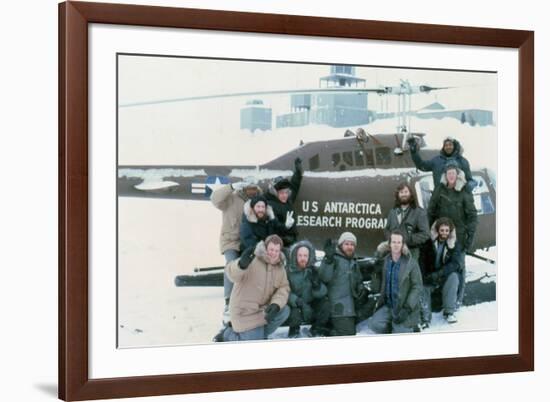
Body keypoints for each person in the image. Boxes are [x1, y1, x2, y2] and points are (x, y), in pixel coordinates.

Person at [221, 235, 290, 341]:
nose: (274, 253)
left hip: (262, 311)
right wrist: (240, 265)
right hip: (244, 312)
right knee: (254, 345)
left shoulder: (280, 268)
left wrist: (276, 304)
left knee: (284, 311)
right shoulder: (253, 259)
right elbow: (231, 274)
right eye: (271, 249)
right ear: (266, 248)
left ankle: (257, 334)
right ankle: (227, 334)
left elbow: (284, 288)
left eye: (277, 250)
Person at [428, 162, 478, 305]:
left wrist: (470, 238)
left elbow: (473, 216)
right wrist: (430, 233)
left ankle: (457, 300)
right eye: (448, 173)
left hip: (459, 238)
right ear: (445, 175)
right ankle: (441, 295)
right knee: (438, 264)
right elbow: (431, 211)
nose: (451, 176)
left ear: (457, 174)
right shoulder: (439, 190)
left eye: (453, 173)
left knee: (459, 268)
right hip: (440, 236)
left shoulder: (464, 191)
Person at [211, 177, 261, 316]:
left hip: (247, 241)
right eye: (249, 188)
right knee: (231, 264)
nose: (252, 191)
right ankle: (228, 301)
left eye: (254, 188)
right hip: (231, 241)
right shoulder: (231, 198)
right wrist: (231, 187)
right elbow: (215, 199)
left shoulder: (257, 201)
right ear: (243, 188)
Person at [367, 230, 423, 334]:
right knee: (374, 325)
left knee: (400, 333)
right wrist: (376, 270)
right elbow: (377, 285)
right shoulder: (385, 261)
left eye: (399, 242)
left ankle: (410, 327)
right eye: (393, 242)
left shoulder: (411, 263)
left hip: (403, 307)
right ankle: (393, 325)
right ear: (389, 244)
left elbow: (417, 287)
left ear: (402, 245)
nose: (396, 245)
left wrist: (407, 308)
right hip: (389, 305)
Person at [319, 232, 365, 336]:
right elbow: (324, 277)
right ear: (340, 245)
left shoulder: (353, 262)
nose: (350, 247)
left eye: (352, 244)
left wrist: (360, 287)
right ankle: (326, 332)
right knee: (348, 336)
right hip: (338, 308)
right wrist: (328, 260)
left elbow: (358, 279)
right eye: (347, 244)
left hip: (352, 306)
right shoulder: (333, 259)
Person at [420, 218, 462, 326]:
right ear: (438, 231)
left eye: (447, 231)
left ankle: (449, 312)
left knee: (454, 277)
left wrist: (440, 274)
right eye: (442, 230)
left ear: (450, 231)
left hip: (443, 276)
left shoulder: (454, 244)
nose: (444, 233)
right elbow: (422, 260)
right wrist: (426, 276)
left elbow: (455, 263)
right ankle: (425, 318)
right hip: (431, 275)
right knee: (422, 284)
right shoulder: (429, 243)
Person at [285, 240, 331, 337]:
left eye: (305, 256)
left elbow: (323, 292)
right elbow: (284, 291)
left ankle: (317, 329)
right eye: (300, 255)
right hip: (296, 304)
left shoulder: (313, 270)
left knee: (326, 304)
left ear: (309, 257)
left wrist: (317, 285)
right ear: (295, 256)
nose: (303, 258)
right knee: (294, 312)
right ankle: (294, 331)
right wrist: (295, 300)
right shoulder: (288, 271)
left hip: (310, 304)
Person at [408, 136, 476, 192]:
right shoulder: (436, 161)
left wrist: (469, 187)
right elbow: (421, 165)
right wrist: (414, 152)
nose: (448, 147)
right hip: (440, 198)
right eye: (446, 145)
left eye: (450, 145)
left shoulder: (462, 161)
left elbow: (470, 180)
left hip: (458, 200)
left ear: (455, 146)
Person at [384, 182, 430, 261]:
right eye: (401, 192)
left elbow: (425, 234)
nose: (404, 194)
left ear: (410, 194)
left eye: (406, 192)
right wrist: (392, 240)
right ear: (398, 195)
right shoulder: (393, 212)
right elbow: (387, 229)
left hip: (411, 252)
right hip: (393, 251)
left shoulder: (419, 212)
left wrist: (407, 239)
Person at [266, 158, 304, 247]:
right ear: (275, 193)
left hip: (292, 240)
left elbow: (294, 186)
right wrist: (285, 226)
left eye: (286, 192)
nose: (284, 195)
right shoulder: (270, 205)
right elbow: (273, 227)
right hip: (279, 244)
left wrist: (298, 172)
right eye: (281, 193)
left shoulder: (288, 200)